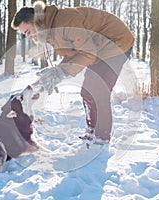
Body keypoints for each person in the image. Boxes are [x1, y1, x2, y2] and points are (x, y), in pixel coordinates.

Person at [11, 1, 134, 145]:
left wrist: (61, 71)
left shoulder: (65, 22)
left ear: (36, 22)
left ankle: (101, 138)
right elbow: (74, 52)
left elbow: (88, 53)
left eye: (28, 31)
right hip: (99, 48)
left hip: (116, 43)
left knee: (98, 91)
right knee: (87, 91)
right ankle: (91, 132)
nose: (29, 36)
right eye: (25, 34)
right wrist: (57, 72)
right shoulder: (52, 29)